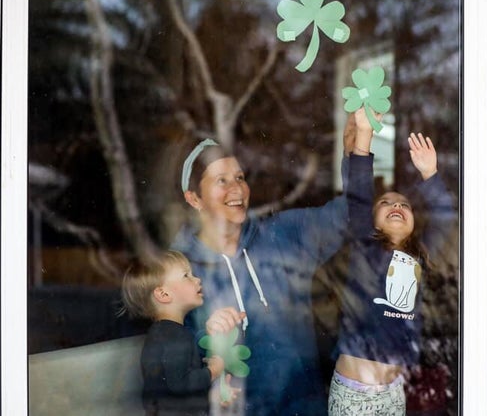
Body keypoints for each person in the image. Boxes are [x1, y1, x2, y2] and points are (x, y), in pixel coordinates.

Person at [171, 131, 352, 415]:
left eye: (240, 178)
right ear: (194, 199)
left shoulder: (280, 236)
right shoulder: (179, 271)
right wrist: (206, 336)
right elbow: (172, 369)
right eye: (222, 181)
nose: (237, 189)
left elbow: (350, 217)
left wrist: (359, 148)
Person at [328, 110, 456, 415]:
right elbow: (359, 195)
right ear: (371, 220)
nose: (396, 205)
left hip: (394, 392)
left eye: (404, 204)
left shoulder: (418, 259)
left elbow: (444, 218)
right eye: (385, 203)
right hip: (353, 392)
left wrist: (430, 174)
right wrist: (364, 135)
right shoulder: (364, 247)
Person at [121, 250, 240, 415]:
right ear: (163, 294)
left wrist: (212, 397)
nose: (197, 279)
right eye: (186, 275)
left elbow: (175, 392)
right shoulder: (175, 336)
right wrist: (212, 371)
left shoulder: (161, 333)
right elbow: (179, 384)